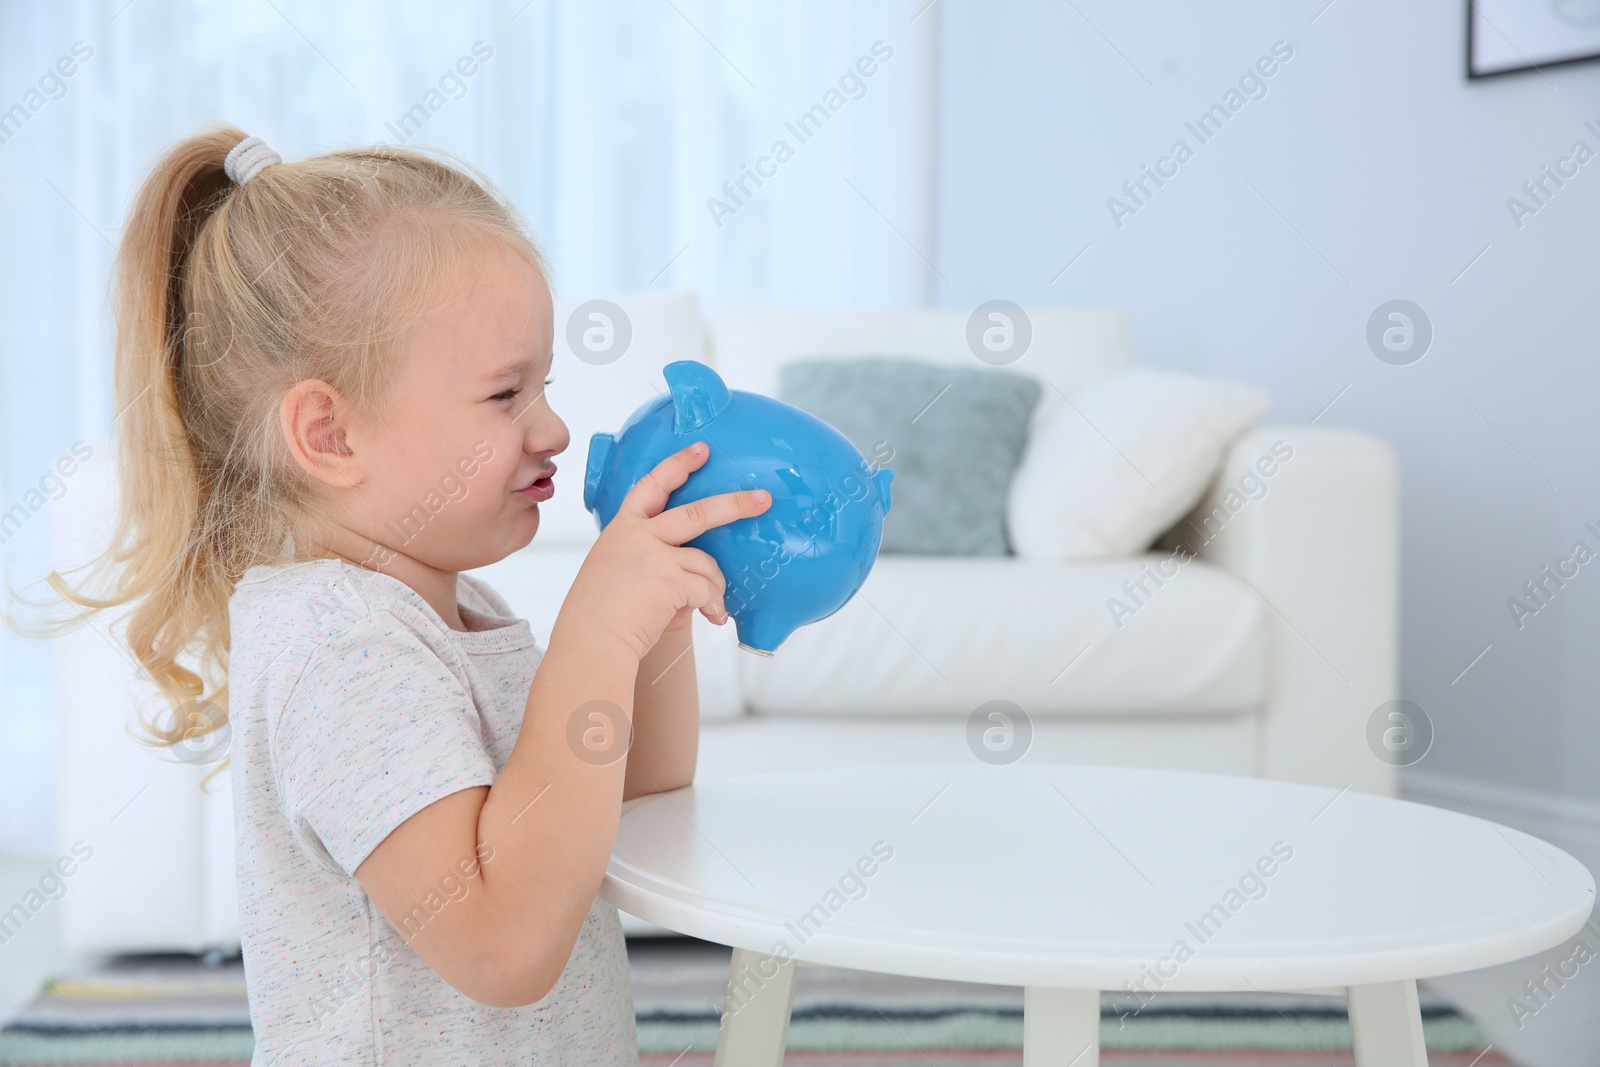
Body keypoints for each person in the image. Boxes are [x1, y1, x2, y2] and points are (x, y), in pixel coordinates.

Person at [41, 124, 771, 1064]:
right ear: (331, 435)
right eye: (505, 394)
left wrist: (654, 612)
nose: (551, 427)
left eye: (542, 384)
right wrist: (595, 630)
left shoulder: (460, 615)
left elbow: (636, 800)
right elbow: (503, 944)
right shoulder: (341, 646)